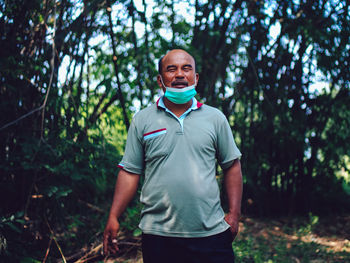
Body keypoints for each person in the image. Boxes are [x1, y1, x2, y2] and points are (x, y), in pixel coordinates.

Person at [103, 49, 243, 263]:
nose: (179, 74)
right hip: (159, 237)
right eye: (171, 69)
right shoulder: (142, 120)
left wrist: (234, 213)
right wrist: (114, 216)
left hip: (212, 235)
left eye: (186, 68)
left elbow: (232, 166)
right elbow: (130, 172)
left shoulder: (215, 119)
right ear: (160, 80)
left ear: (195, 78)